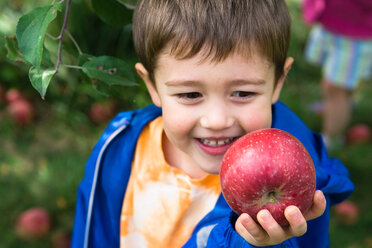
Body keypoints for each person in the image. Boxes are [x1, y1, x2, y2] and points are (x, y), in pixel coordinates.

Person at [71, 0, 354, 247]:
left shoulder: (301, 180)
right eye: (190, 94)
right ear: (152, 86)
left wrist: (256, 244)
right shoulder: (118, 149)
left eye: (243, 93)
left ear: (278, 82)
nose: (217, 121)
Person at [302, 0, 372, 149]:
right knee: (338, 81)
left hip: (354, 34)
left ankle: (331, 138)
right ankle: (336, 106)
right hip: (332, 23)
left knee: (336, 87)